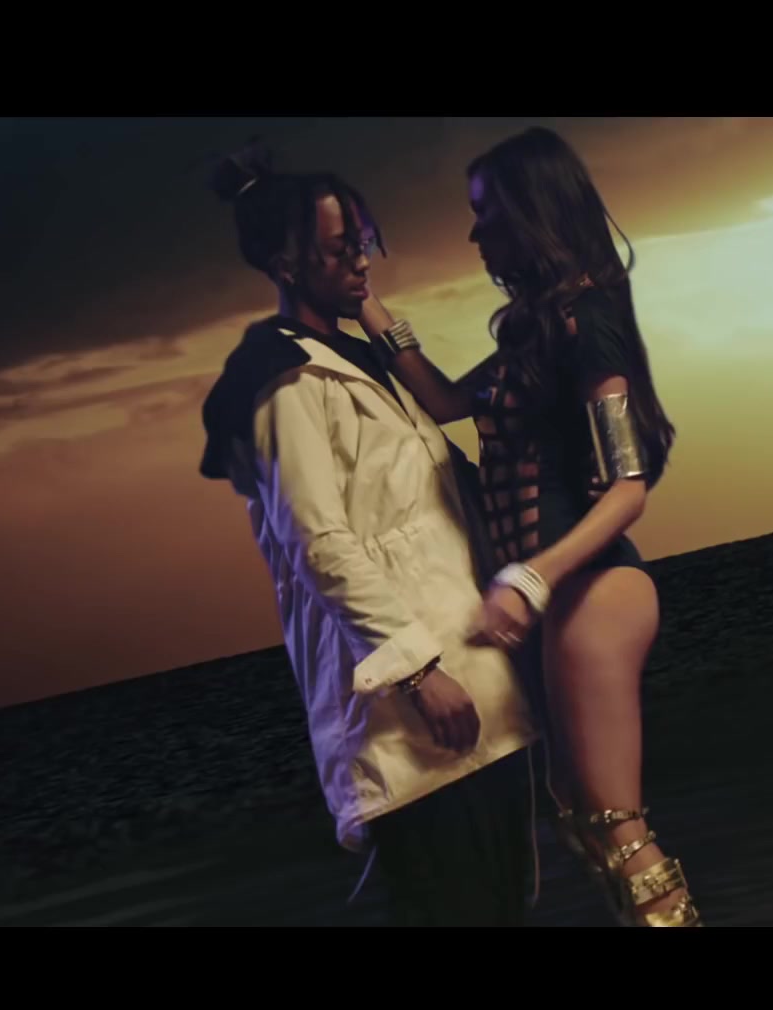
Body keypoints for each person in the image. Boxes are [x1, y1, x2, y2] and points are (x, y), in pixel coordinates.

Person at [356, 127, 699, 927]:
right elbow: (444, 401)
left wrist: (530, 579)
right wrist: (366, 301)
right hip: (564, 602)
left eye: (489, 213)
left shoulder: (590, 322)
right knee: (586, 820)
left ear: (533, 211)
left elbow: (628, 489)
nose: (476, 234)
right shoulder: (535, 331)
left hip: (594, 590)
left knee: (617, 823)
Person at [197, 145, 540, 926]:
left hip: (481, 687)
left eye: (362, 240)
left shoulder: (357, 359)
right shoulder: (283, 383)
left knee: (507, 908)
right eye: (339, 247)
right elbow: (318, 543)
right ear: (286, 263)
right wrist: (418, 674)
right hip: (412, 713)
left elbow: (448, 434)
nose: (360, 259)